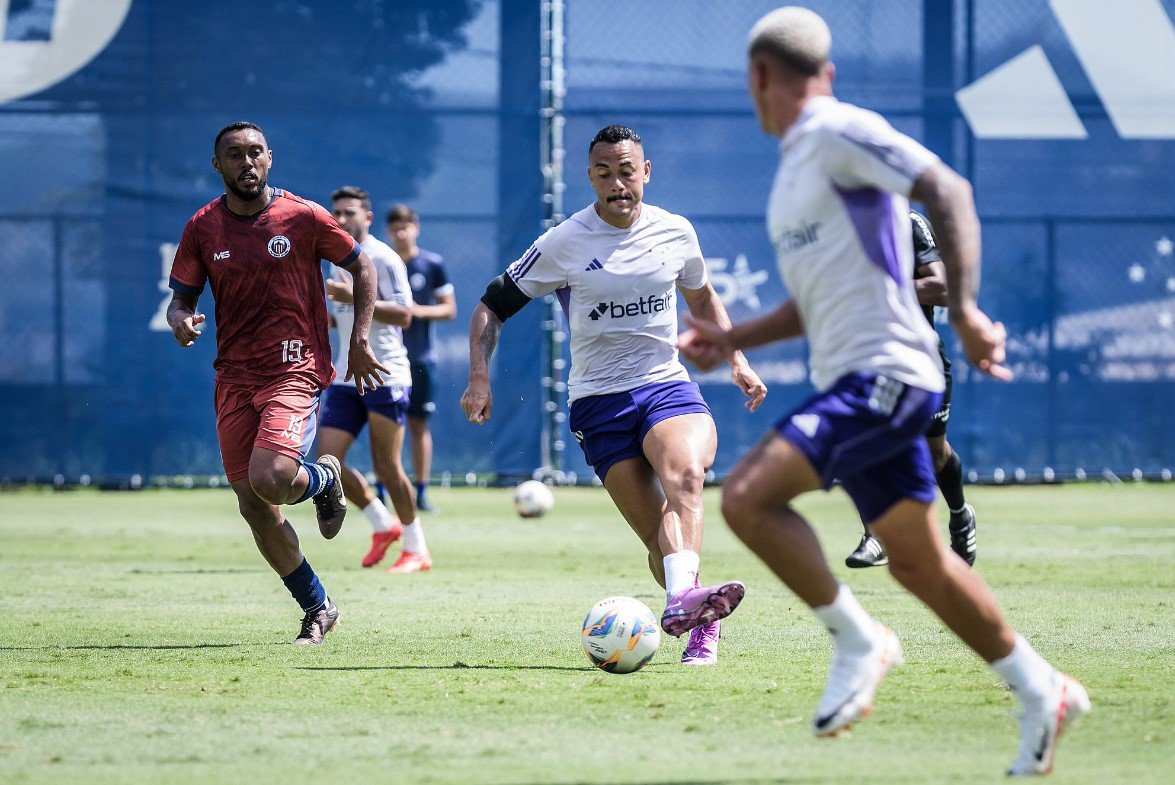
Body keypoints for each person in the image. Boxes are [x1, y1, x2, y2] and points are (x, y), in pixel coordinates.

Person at [678, 8, 1088, 775]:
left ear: (758, 79)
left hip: (887, 373)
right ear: (821, 71)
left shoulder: (833, 130)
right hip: (856, 378)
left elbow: (947, 188)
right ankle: (1042, 690)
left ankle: (860, 642)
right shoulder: (797, 171)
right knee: (918, 563)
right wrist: (728, 341)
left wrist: (964, 308)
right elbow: (812, 304)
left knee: (747, 499)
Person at [461, 124, 768, 666]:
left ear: (645, 172)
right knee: (659, 541)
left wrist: (737, 359)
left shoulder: (675, 232)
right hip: (598, 403)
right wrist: (479, 377)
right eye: (604, 173)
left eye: (627, 171)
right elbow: (491, 305)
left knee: (686, 479)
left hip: (664, 386)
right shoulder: (563, 242)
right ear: (590, 178)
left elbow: (702, 296)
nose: (617, 183)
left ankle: (694, 621)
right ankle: (687, 606)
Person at [167, 122, 388, 644]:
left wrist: (358, 340)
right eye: (234, 155)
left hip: (296, 367)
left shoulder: (303, 216)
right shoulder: (202, 228)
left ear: (270, 159)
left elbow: (364, 269)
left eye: (255, 153)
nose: (247, 163)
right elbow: (182, 299)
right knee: (253, 505)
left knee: (271, 478)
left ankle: (325, 479)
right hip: (235, 376)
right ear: (216, 165)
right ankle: (318, 606)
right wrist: (181, 318)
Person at [845, 211, 978, 569]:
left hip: (920, 361)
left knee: (935, 455)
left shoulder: (908, 223)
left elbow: (943, 288)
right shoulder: (837, 226)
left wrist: (889, 289)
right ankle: (876, 535)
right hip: (868, 359)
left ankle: (960, 514)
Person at [317, 186, 432, 573]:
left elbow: (404, 315)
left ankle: (417, 548)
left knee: (388, 467)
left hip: (386, 375)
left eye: (350, 212)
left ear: (367, 217)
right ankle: (384, 526)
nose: (342, 218)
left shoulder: (383, 258)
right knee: (327, 461)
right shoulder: (336, 257)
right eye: (337, 212)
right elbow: (342, 317)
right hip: (346, 377)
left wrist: (351, 296)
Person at [387, 204, 456, 513]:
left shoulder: (432, 264)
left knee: (417, 425)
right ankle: (383, 488)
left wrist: (415, 311)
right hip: (386, 359)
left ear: (416, 227)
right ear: (388, 231)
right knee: (386, 425)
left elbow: (448, 309)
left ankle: (422, 492)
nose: (401, 232)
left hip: (421, 359)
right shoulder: (380, 263)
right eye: (395, 227)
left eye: (406, 226)